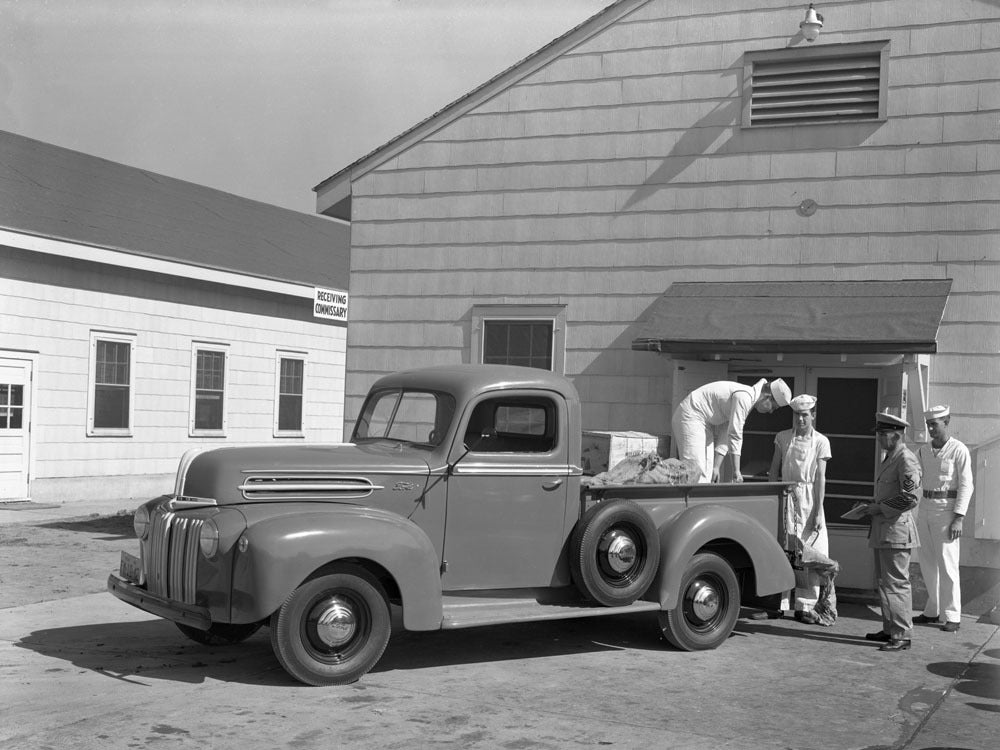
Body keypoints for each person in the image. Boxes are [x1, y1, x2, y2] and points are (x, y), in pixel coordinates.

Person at [763, 394, 832, 623]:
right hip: (785, 496)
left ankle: (806, 605)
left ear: (813, 415)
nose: (800, 419)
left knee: (810, 552)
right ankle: (778, 602)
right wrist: (772, 499)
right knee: (783, 548)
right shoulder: (782, 438)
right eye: (796, 415)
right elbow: (774, 469)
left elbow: (821, 477)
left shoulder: (821, 441)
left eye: (804, 415)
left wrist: (818, 511)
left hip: (809, 498)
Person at [862, 413, 922, 652]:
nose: (878, 439)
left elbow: (910, 498)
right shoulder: (892, 458)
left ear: (896, 435)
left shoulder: (906, 460)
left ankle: (901, 634)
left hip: (896, 532)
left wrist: (878, 508)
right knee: (885, 583)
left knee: (896, 583)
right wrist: (872, 505)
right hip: (884, 530)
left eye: (882, 434)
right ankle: (890, 629)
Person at [915, 405, 973, 632]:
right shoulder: (923, 451)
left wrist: (958, 517)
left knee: (947, 564)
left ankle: (953, 615)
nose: (931, 429)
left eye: (935, 424)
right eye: (928, 424)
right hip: (926, 507)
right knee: (927, 562)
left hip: (947, 510)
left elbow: (967, 485)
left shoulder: (959, 450)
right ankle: (932, 610)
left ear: (947, 422)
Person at [671, 378, 791, 483]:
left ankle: (698, 503)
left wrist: (716, 466)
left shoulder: (748, 399)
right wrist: (736, 471)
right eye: (773, 407)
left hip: (704, 422)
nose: (771, 412)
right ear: (767, 397)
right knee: (695, 468)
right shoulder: (744, 397)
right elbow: (735, 434)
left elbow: (726, 431)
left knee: (707, 473)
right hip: (691, 415)